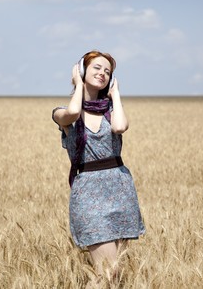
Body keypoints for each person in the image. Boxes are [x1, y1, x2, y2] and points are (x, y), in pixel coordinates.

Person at [52, 50, 145, 286]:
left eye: (107, 72)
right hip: (88, 193)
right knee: (107, 271)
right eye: (96, 68)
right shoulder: (61, 113)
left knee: (114, 274)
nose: (102, 73)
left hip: (119, 189)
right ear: (81, 70)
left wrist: (115, 95)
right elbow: (73, 112)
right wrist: (77, 85)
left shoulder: (111, 112)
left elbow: (120, 127)